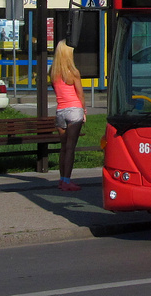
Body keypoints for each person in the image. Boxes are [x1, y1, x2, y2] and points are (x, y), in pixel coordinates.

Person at [51, 40, 86, 191]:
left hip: (60, 111)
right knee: (71, 148)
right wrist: (84, 112)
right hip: (74, 110)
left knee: (63, 148)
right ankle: (67, 180)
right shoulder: (73, 72)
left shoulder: (53, 72)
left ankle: (61, 179)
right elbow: (80, 94)